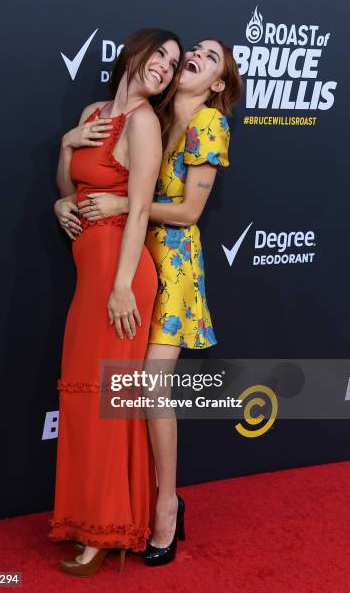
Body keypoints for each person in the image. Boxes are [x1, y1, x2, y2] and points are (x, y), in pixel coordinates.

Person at [55, 37, 242, 567]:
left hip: (174, 269)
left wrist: (125, 202)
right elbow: (103, 174)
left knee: (151, 392)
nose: (192, 59)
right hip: (138, 258)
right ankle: (126, 509)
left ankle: (165, 508)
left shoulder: (209, 125)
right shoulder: (156, 118)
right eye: (195, 51)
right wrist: (72, 184)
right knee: (125, 394)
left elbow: (187, 214)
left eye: (209, 59)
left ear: (219, 84)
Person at [49, 28, 183, 577]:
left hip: (119, 275)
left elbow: (139, 206)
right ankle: (95, 522)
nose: (166, 68)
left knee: (107, 401)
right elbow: (69, 185)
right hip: (91, 271)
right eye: (161, 56)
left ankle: (104, 532)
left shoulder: (146, 123)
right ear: (136, 51)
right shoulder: (94, 110)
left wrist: (125, 284)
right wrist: (65, 162)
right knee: (86, 398)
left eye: (174, 66)